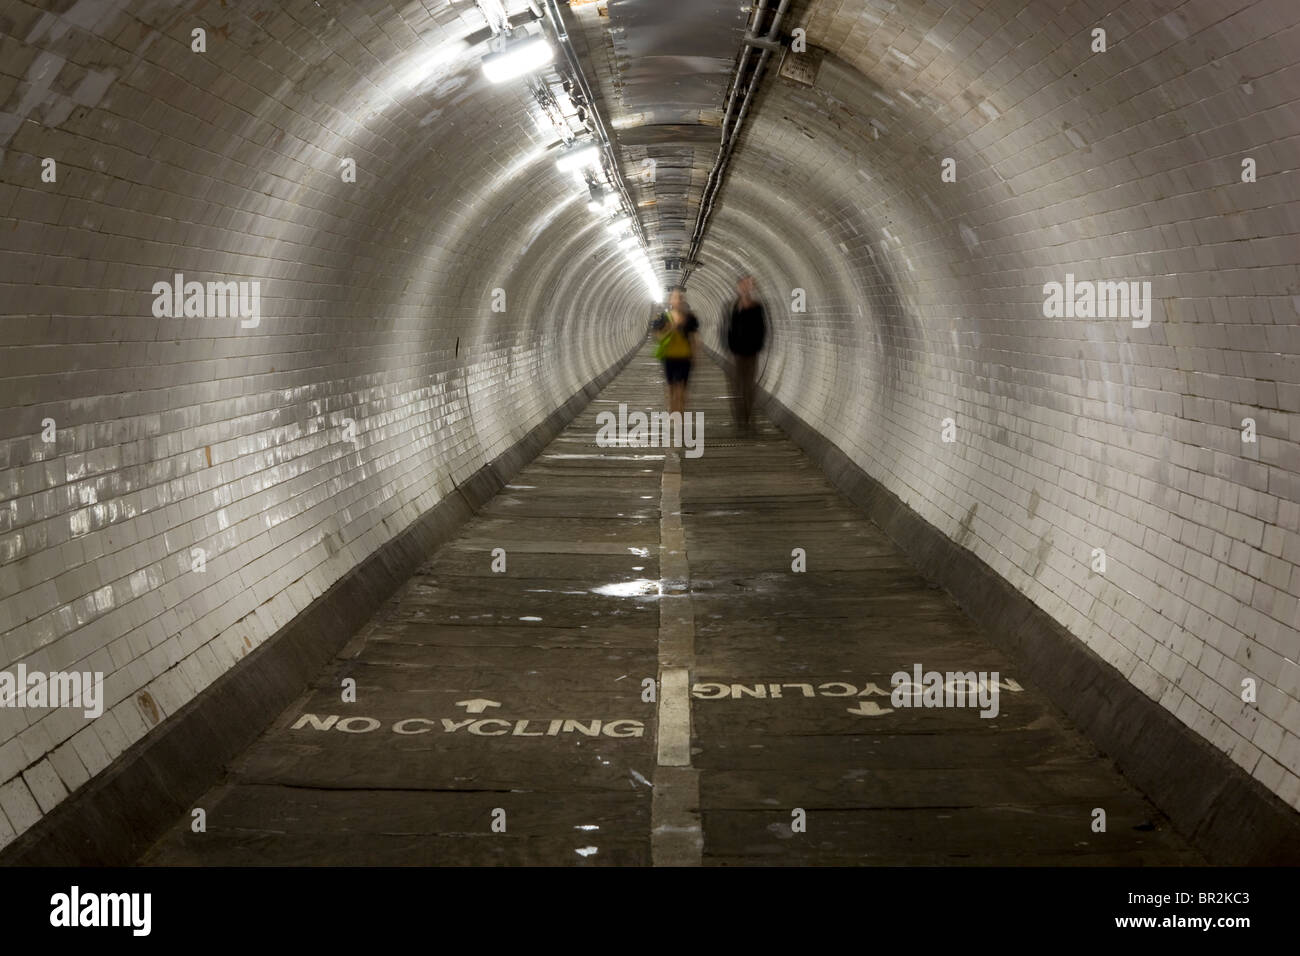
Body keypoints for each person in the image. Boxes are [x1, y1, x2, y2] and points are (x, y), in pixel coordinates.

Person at [724, 274, 767, 433]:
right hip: (736, 353)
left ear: (752, 288)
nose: (746, 288)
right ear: (738, 287)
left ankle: (748, 420)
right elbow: (726, 327)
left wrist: (758, 346)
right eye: (743, 285)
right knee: (736, 387)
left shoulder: (757, 307)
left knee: (749, 387)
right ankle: (739, 420)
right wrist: (729, 346)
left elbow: (762, 329)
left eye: (749, 285)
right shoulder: (732, 306)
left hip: (751, 353)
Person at [652, 288, 700, 415]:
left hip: (685, 356)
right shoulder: (664, 317)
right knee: (671, 387)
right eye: (675, 297)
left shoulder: (690, 318)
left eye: (680, 298)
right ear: (670, 301)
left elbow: (694, 337)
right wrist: (669, 330)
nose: (678, 300)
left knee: (682, 388)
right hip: (669, 356)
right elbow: (657, 336)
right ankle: (672, 410)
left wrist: (695, 355)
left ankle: (681, 412)